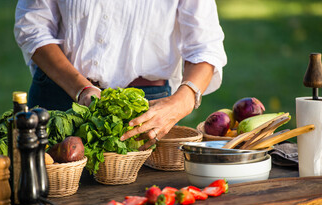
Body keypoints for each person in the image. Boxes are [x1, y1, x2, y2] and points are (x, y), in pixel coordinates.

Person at [14, 0, 227, 150]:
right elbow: (32, 26)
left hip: (145, 109)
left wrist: (183, 100)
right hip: (60, 98)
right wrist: (81, 88)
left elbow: (205, 46)